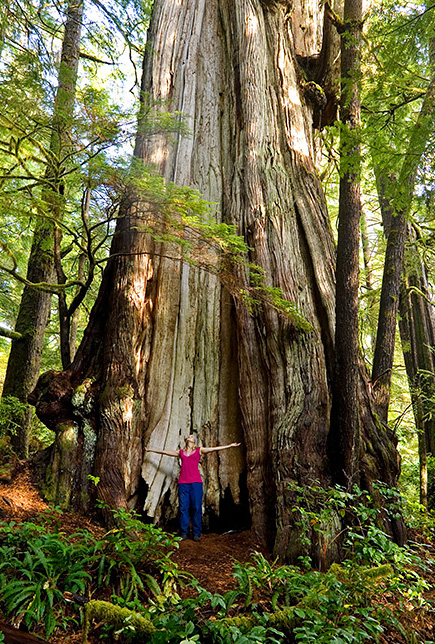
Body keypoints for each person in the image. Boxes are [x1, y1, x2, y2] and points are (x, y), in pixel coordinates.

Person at [146, 434, 241, 541]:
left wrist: (230, 446)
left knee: (196, 508)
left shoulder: (199, 450)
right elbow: (165, 452)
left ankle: (196, 533)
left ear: (194, 441)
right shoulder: (180, 452)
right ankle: (184, 533)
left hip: (196, 483)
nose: (190, 437)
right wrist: (151, 450)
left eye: (192, 436)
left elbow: (214, 449)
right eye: (189, 436)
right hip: (183, 483)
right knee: (183, 508)